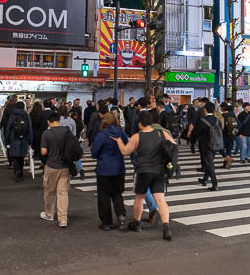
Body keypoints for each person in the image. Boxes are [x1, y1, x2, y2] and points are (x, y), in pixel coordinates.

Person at [111, 109, 175, 241]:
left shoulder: (137, 136)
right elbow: (173, 146)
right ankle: (166, 226)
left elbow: (125, 151)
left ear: (140, 123)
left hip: (142, 171)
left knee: (139, 198)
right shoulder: (160, 133)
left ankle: (137, 223)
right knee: (160, 199)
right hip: (159, 171)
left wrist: (118, 140)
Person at [39, 111, 82, 228]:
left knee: (49, 192)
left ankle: (49, 214)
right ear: (59, 120)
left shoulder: (46, 134)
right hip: (65, 166)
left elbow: (43, 152)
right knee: (63, 193)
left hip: (51, 166)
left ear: (49, 122)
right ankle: (63, 219)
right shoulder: (67, 132)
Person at [91, 112, 128, 230]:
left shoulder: (101, 135)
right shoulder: (121, 133)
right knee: (117, 193)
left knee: (104, 196)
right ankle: (121, 215)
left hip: (104, 169)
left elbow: (94, 152)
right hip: (119, 168)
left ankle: (106, 222)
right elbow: (126, 145)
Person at [189, 102, 220, 191]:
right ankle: (204, 179)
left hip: (205, 145)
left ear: (205, 110)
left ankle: (215, 184)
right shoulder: (217, 120)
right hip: (215, 144)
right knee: (208, 162)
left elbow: (196, 133)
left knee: (209, 164)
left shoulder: (202, 121)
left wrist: (192, 142)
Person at [3, 101, 34, 182]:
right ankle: (20, 171)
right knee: (21, 157)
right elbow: (30, 129)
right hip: (24, 139)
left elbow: (8, 129)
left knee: (15, 157)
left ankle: (17, 171)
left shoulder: (12, 115)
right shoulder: (26, 115)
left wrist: (7, 141)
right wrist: (30, 141)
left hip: (14, 139)